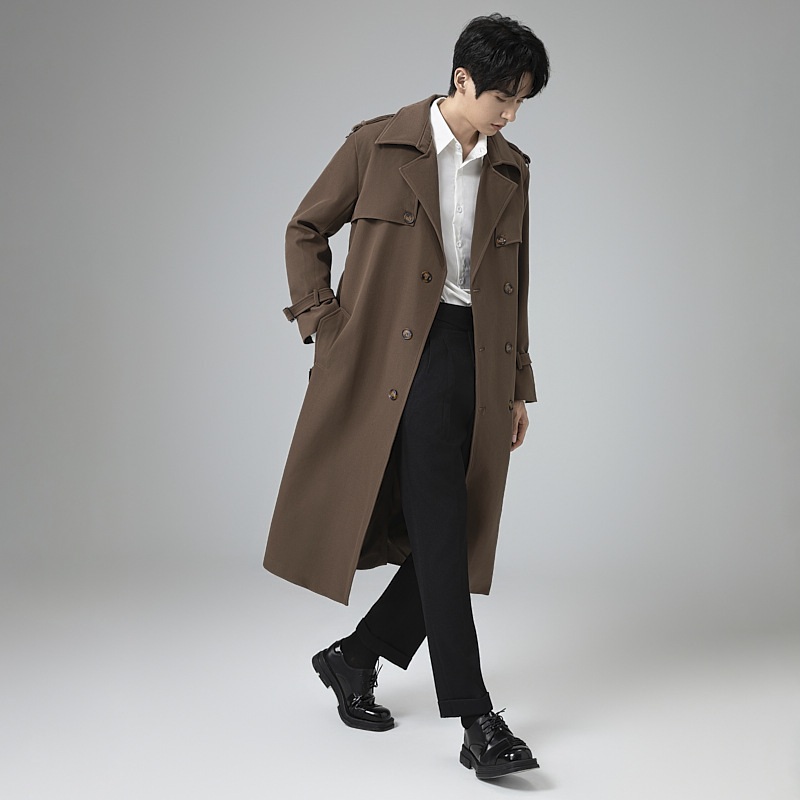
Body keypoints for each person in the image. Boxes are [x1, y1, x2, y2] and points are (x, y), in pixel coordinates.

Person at [264, 13, 550, 780]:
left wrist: (516, 385)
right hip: (401, 355)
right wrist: (327, 326)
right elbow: (304, 228)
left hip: (477, 360)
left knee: (451, 533)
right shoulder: (379, 145)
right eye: (503, 97)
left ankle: (355, 658)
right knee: (447, 531)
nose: (511, 114)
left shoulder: (512, 171)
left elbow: (515, 287)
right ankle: (476, 720)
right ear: (462, 79)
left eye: (521, 101)